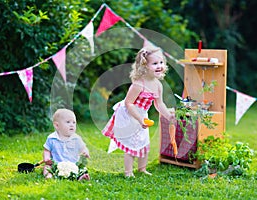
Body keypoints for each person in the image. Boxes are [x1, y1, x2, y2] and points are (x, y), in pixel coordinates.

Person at [102, 45, 176, 177]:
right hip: (129, 114)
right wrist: (139, 119)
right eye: (154, 63)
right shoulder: (138, 84)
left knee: (144, 142)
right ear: (144, 66)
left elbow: (159, 104)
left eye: (161, 62)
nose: (159, 66)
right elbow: (128, 103)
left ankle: (142, 169)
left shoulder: (158, 85)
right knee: (131, 144)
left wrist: (168, 116)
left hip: (142, 115)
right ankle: (128, 172)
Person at [43, 108, 90, 180]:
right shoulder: (52, 138)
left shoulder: (76, 139)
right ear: (57, 125)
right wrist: (46, 158)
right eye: (68, 122)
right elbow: (46, 150)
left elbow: (83, 148)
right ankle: (49, 176)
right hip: (56, 165)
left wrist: (85, 152)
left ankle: (81, 177)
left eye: (74, 122)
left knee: (82, 168)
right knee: (47, 167)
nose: (72, 125)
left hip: (73, 165)